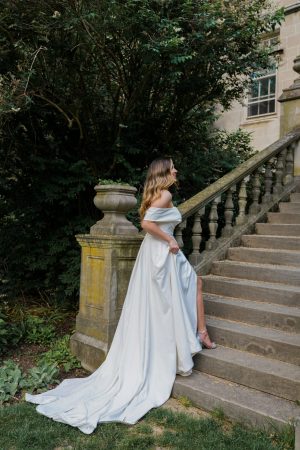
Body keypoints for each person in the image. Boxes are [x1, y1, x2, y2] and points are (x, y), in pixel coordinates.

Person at [25, 157, 216, 434]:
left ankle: (199, 333)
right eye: (172, 167)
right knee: (178, 295)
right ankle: (198, 335)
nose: (176, 170)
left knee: (187, 288)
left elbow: (148, 222)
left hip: (157, 255)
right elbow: (148, 224)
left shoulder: (158, 194)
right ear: (163, 172)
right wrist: (170, 240)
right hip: (162, 254)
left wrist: (166, 241)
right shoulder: (165, 194)